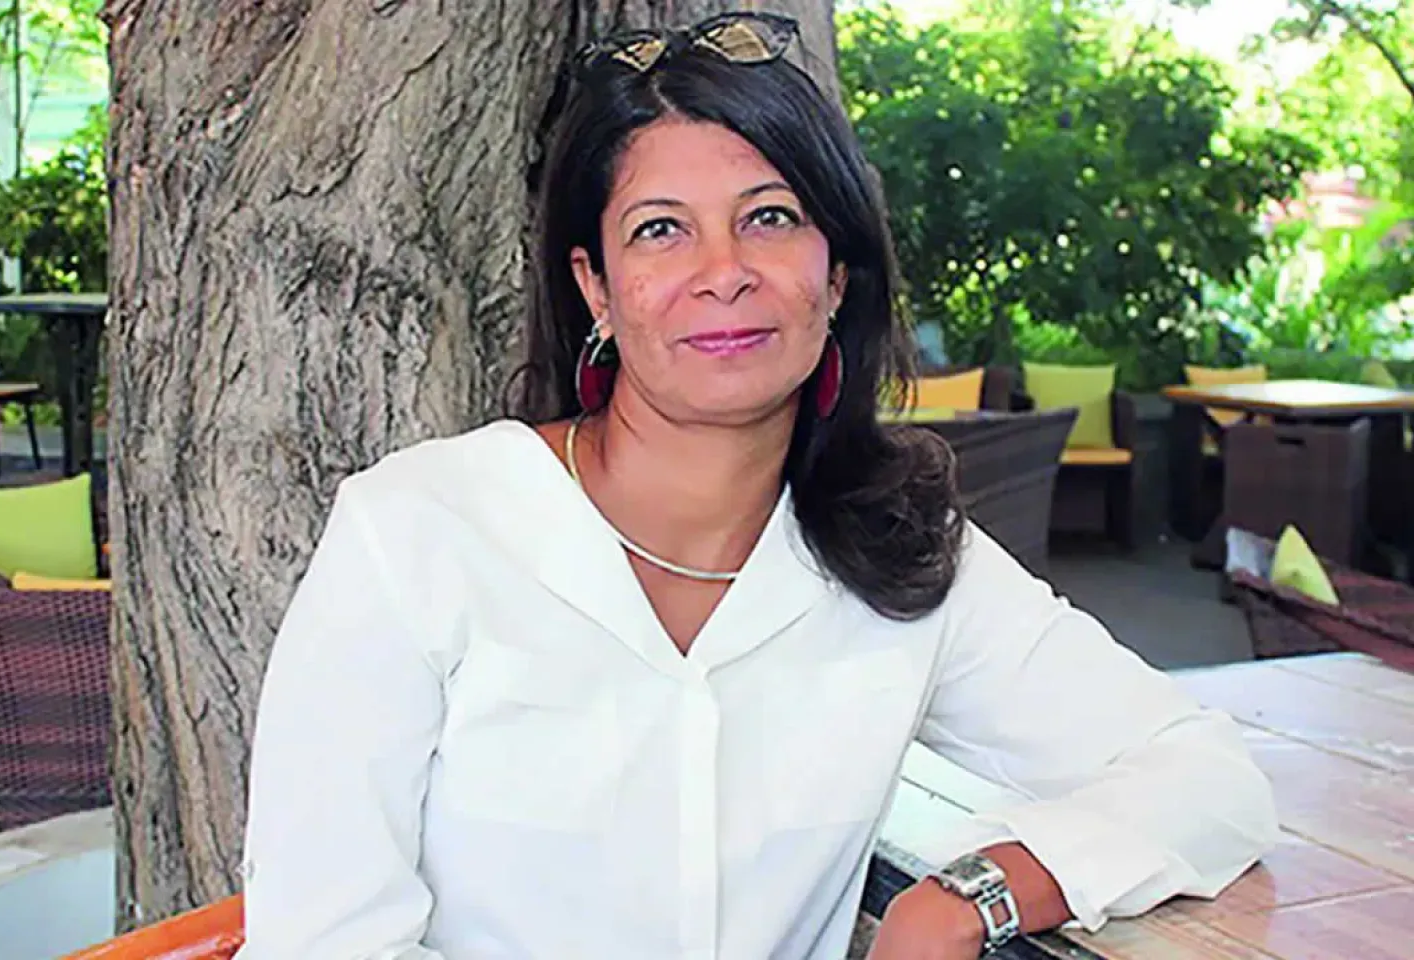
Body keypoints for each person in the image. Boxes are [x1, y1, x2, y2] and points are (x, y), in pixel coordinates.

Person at [235, 12, 1278, 959]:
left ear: (836, 273)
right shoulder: (418, 533)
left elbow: (1204, 778)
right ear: (595, 286)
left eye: (770, 218)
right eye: (660, 229)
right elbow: (322, 942)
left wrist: (968, 898)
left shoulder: (898, 552)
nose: (723, 270)